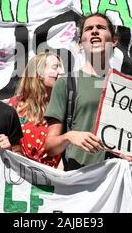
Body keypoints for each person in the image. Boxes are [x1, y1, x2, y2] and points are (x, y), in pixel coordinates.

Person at [44, 13, 118, 171]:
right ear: (80, 44)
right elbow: (50, 147)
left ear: (114, 41)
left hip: (118, 182)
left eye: (101, 27)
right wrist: (69, 137)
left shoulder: (129, 85)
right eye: (89, 29)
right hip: (79, 182)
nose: (95, 31)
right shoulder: (67, 82)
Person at [7, 52, 64, 168]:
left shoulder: (64, 105)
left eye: (61, 67)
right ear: (38, 73)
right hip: (19, 174)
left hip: (52, 178)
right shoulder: (15, 104)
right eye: (55, 67)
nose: (61, 72)